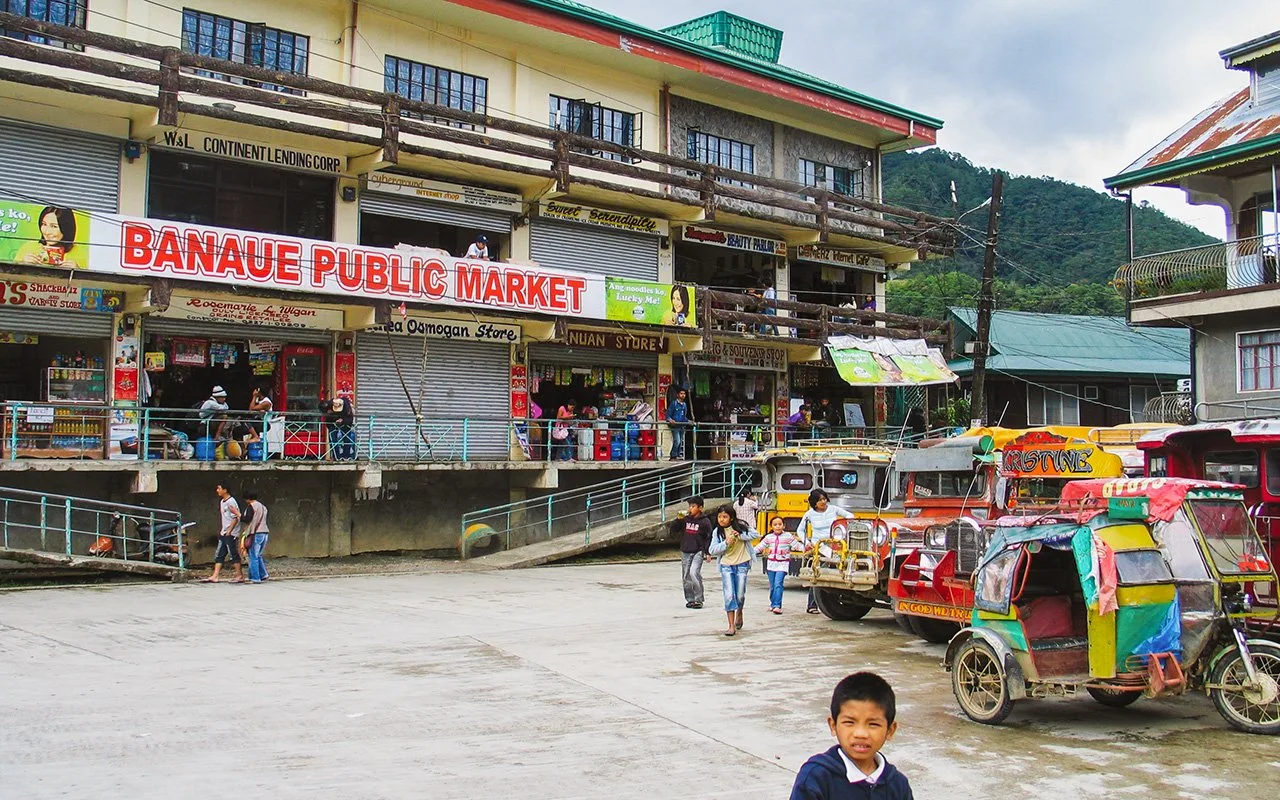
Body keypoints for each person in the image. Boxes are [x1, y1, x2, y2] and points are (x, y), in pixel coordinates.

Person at [789, 672, 912, 800]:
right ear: (833, 725)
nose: (861, 734)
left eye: (873, 724)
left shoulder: (898, 784)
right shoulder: (816, 777)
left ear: (890, 730)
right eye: (849, 722)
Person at [797, 488, 855, 613]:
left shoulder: (833, 509)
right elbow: (800, 530)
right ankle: (812, 604)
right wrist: (807, 543)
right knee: (817, 573)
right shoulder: (809, 514)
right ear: (814, 503)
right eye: (820, 500)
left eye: (824, 499)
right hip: (819, 546)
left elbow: (850, 515)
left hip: (836, 545)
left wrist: (844, 525)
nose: (823, 502)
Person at [711, 504, 759, 636]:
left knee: (740, 594)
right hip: (726, 565)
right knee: (729, 595)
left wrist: (741, 535)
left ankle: (740, 611)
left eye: (725, 517)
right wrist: (726, 543)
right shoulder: (717, 532)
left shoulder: (741, 527)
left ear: (731, 518)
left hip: (742, 564)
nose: (722, 519)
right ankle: (731, 626)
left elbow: (756, 534)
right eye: (720, 517)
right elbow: (712, 550)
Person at [670, 495, 713, 609]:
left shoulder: (705, 521)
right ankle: (690, 599)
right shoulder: (685, 519)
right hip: (686, 550)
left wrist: (708, 552)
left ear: (700, 508)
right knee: (686, 576)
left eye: (693, 506)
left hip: (698, 550)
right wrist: (678, 520)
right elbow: (673, 529)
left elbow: (709, 536)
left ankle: (699, 599)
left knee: (694, 573)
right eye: (690, 506)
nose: (690, 509)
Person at [201, 483, 245, 584]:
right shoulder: (222, 502)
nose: (217, 490)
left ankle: (239, 575)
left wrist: (230, 530)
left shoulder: (231, 502)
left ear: (225, 490)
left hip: (231, 533)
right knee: (219, 554)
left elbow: (235, 518)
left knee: (233, 554)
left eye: (219, 488)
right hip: (224, 532)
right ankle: (215, 576)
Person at [756, 516, 799, 614]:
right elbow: (760, 547)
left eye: (780, 524)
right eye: (775, 525)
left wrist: (807, 548)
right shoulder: (768, 537)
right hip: (771, 564)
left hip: (782, 564)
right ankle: (772, 603)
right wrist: (750, 553)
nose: (778, 527)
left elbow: (797, 546)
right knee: (772, 586)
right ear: (771, 526)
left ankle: (777, 605)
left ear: (784, 526)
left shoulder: (788, 536)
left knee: (778, 584)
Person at [16, 206, 80, 267]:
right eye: (44, 224)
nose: (47, 232)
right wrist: (22, 264)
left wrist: (78, 271)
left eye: (54, 226)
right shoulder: (28, 247)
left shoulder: (79, 252)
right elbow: (10, 273)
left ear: (66, 228)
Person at [243, 491, 270, 583]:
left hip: (256, 533)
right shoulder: (263, 507)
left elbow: (247, 519)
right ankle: (263, 574)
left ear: (247, 499)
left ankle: (255, 578)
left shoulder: (252, 506)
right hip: (265, 532)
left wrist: (238, 515)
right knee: (258, 555)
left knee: (253, 556)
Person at [665, 388, 691, 460]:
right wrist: (670, 419)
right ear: (677, 395)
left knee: (680, 442)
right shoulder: (674, 403)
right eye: (681, 394)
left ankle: (677, 455)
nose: (683, 395)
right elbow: (668, 414)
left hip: (681, 425)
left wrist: (688, 421)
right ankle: (673, 455)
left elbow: (683, 417)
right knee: (677, 441)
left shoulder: (684, 405)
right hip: (675, 426)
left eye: (684, 394)